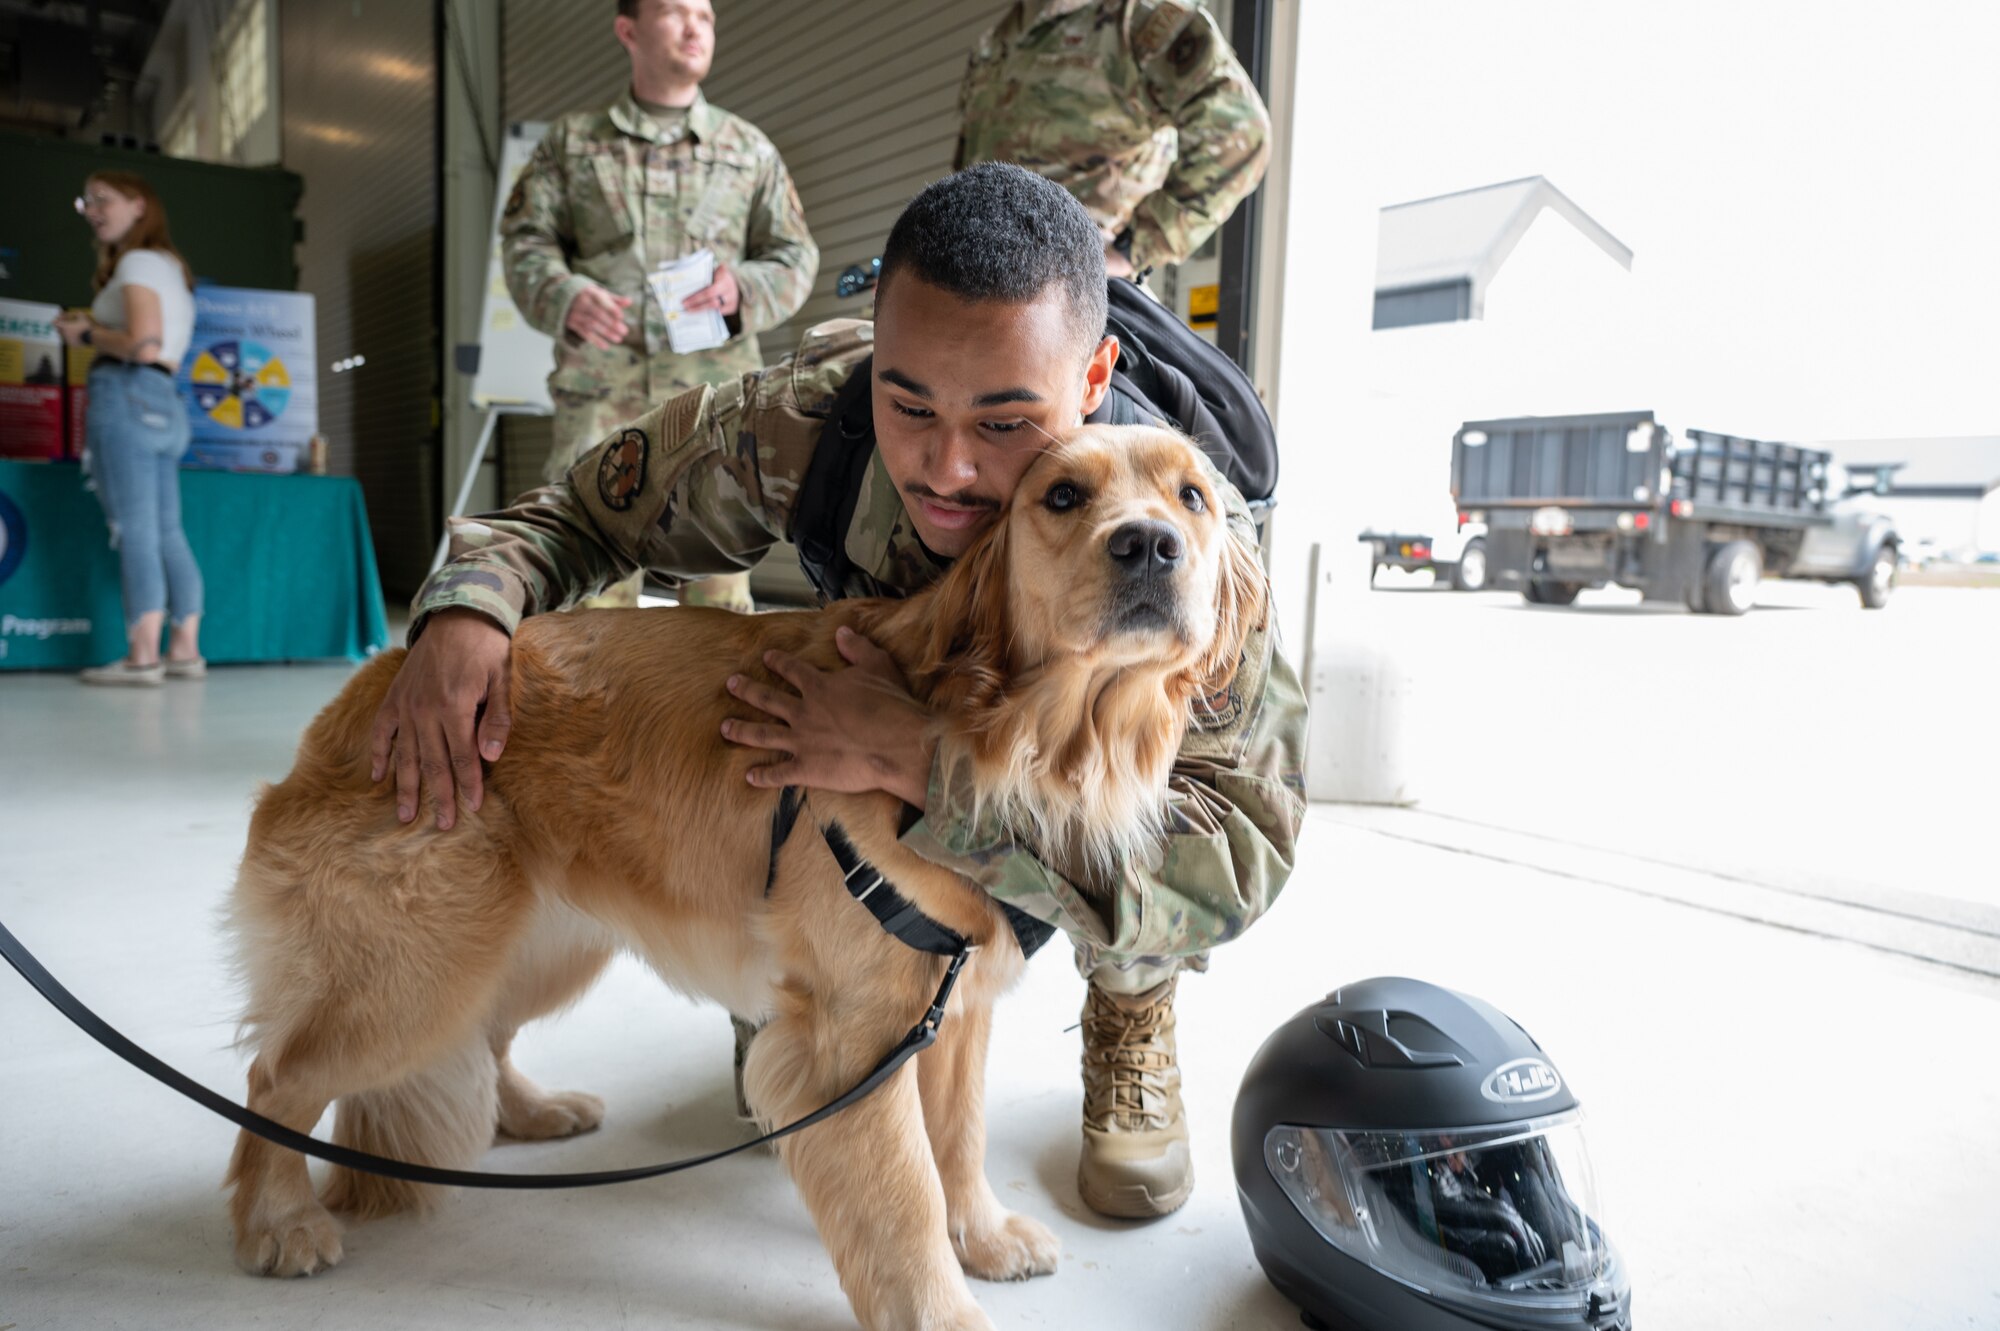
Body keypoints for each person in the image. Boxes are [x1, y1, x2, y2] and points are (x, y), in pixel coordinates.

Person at [375, 164, 1306, 1222]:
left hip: (1073, 793)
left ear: (1090, 376)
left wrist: (919, 762)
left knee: (1128, 844)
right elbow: (576, 515)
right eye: (908, 402)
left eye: (1006, 423)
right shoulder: (802, 424)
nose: (947, 467)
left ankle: (1130, 1014)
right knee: (800, 1077)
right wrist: (468, 610)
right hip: (862, 798)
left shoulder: (1185, 540)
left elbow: (1231, 864)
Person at [955, 0, 1274, 1218]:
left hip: (1086, 331)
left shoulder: (1144, 17)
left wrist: (1126, 256)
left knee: (1152, 713)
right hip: (993, 348)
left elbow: (1234, 137)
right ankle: (842, 955)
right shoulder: (993, 39)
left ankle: (1130, 1016)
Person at [503, 0, 818, 612]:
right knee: (590, 589)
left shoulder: (748, 149)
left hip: (713, 402)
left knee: (719, 602)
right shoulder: (572, 145)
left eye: (705, 15)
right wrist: (563, 295)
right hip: (603, 396)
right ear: (629, 30)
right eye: (675, 13)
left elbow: (794, 254)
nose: (696, 27)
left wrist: (743, 291)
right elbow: (525, 241)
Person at [956, 0, 1271, 280]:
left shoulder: (1139, 17)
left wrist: (1134, 247)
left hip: (1075, 296)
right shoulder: (1002, 36)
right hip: (984, 281)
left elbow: (1239, 129)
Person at [54, 172, 205, 686]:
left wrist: (86, 332)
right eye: (86, 200)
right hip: (164, 398)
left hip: (127, 391)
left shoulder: (136, 263)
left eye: (104, 199)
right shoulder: (171, 268)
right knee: (166, 530)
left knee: (136, 529)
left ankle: (142, 658)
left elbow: (142, 342)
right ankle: (185, 650)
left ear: (139, 205)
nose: (92, 209)